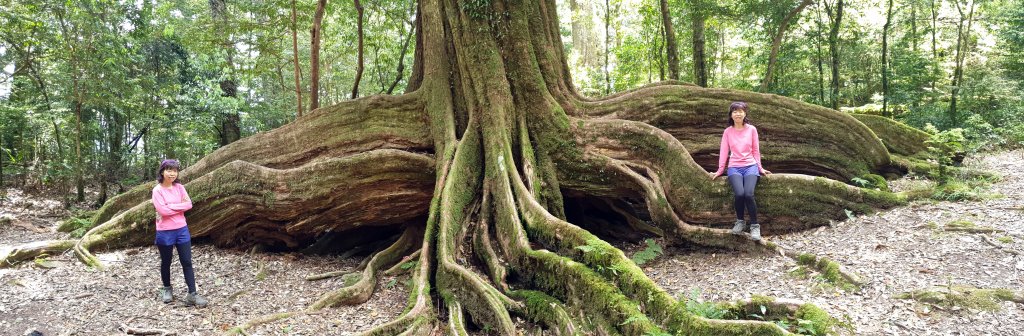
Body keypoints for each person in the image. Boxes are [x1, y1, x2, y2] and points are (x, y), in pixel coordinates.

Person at [708, 102, 771, 241]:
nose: (738, 113)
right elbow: (724, 151)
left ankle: (755, 226)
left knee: (748, 194)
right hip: (734, 167)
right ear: (731, 114)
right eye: (735, 111)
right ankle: (740, 221)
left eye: (741, 111)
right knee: (740, 194)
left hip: (750, 166)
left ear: (745, 113)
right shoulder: (728, 132)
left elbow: (756, 150)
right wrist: (720, 170)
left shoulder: (752, 130)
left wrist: (760, 168)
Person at [152, 159, 208, 307]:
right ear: (162, 171)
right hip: (165, 232)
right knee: (166, 261)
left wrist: (171, 205)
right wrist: (178, 207)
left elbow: (189, 204)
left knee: (187, 261)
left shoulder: (180, 188)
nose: (172, 173)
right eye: (169, 170)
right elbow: (162, 211)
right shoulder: (157, 190)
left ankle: (192, 294)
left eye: (175, 170)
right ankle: (167, 289)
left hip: (181, 229)